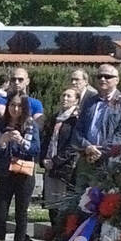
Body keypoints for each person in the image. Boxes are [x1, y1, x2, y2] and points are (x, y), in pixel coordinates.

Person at [0, 93, 41, 241]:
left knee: (21, 211)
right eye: (12, 105)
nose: (15, 109)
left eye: (19, 106)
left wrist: (21, 140)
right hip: (5, 172)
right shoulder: (0, 126)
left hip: (24, 173)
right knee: (0, 210)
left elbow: (35, 149)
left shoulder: (30, 125)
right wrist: (2, 141)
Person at [68, 64, 121, 186]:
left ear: (117, 80)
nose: (102, 79)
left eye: (107, 76)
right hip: (87, 158)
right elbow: (78, 128)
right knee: (81, 200)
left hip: (110, 161)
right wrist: (87, 146)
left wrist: (101, 151)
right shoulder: (89, 101)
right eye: (99, 76)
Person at [43, 87, 80, 225]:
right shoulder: (56, 117)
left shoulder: (76, 120)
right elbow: (47, 138)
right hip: (49, 166)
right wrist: (44, 159)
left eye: (69, 96)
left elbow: (73, 145)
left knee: (64, 203)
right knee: (51, 203)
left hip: (65, 168)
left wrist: (57, 161)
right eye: (63, 95)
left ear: (76, 100)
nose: (65, 98)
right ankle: (53, 231)